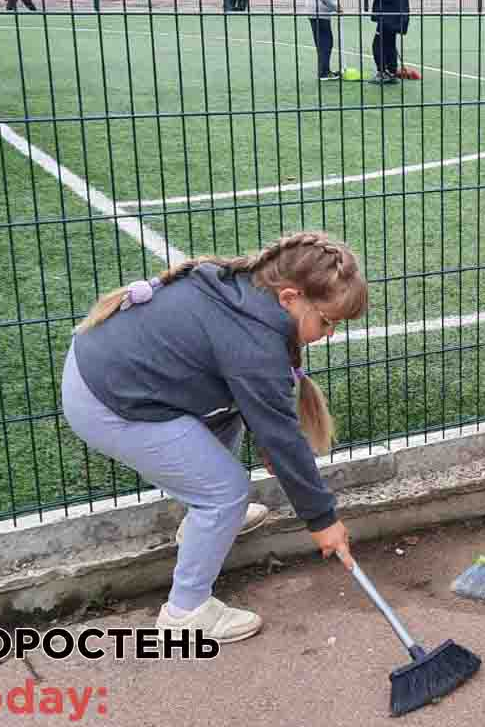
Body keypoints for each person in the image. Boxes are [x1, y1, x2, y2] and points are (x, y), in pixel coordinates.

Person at [61, 232, 369, 643]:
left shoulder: (247, 292)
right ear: (290, 298)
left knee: (229, 419)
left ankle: (208, 521)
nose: (329, 333)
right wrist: (323, 520)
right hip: (106, 401)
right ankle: (185, 613)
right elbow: (283, 441)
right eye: (326, 321)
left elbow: (266, 422)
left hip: (118, 373)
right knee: (225, 493)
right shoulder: (253, 347)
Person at [366, 0, 414, 85]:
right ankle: (391, 72)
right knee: (389, 44)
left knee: (378, 45)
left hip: (388, 18)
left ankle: (383, 73)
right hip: (394, 18)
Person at [304, 0, 342, 81]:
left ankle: (325, 70)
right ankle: (324, 72)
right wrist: (335, 6)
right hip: (318, 10)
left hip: (319, 10)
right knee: (325, 42)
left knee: (325, 42)